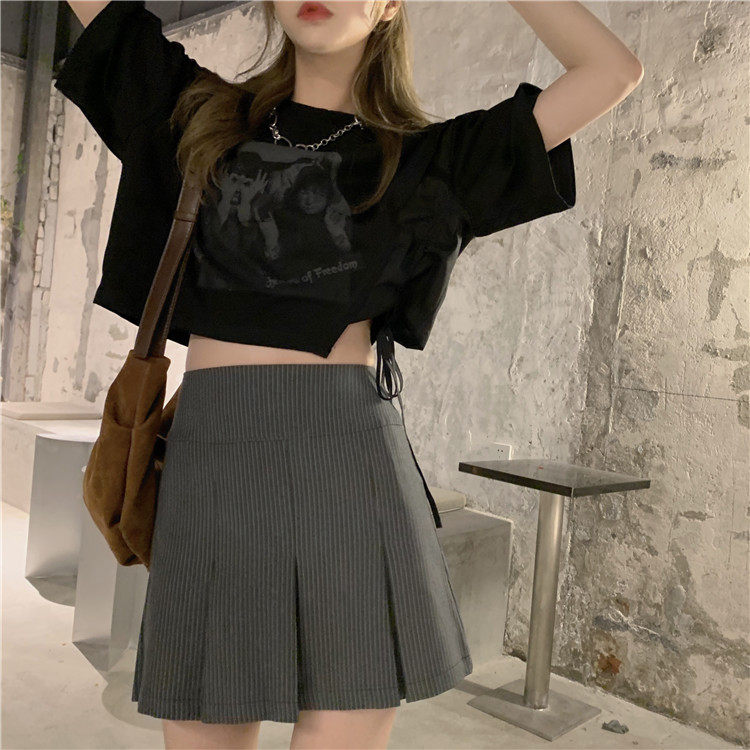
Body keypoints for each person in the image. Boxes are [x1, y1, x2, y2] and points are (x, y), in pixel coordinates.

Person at [55, 1, 643, 748]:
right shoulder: (196, 114)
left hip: (347, 463)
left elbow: (611, 70)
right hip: (212, 459)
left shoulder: (429, 160)